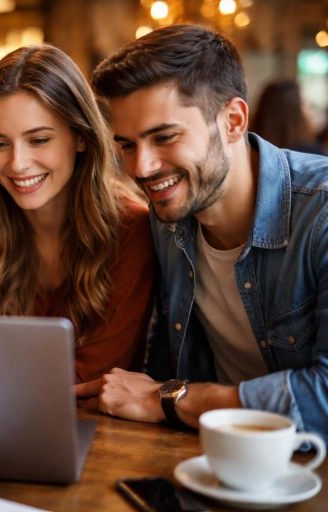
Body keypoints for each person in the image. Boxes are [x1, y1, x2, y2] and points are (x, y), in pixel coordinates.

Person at [77, 24, 328, 439]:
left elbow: (322, 399)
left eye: (164, 137)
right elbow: (165, 358)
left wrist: (173, 398)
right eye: (127, 145)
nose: (141, 168)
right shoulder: (167, 217)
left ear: (233, 120)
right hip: (211, 462)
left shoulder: (319, 212)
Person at [0, 44, 156, 383]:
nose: (17, 164)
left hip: (102, 432)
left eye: (39, 140)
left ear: (80, 137)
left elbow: (94, 380)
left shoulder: (131, 230)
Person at [250, 79, 324, 155]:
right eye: (306, 104)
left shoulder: (249, 150)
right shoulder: (312, 155)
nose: (311, 111)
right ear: (294, 113)